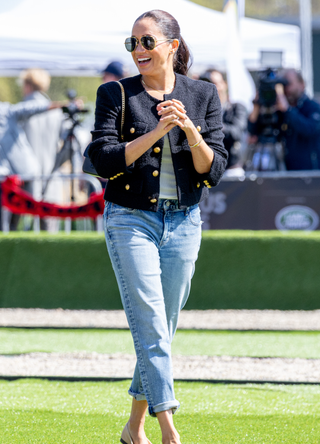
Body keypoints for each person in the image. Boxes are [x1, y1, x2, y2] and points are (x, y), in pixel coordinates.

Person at [87, 9, 227, 444]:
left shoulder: (202, 94)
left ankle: (132, 429)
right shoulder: (115, 93)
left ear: (171, 45)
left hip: (184, 221)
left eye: (147, 42)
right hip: (130, 219)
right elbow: (103, 159)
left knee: (160, 330)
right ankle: (169, 430)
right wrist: (155, 132)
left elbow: (214, 169)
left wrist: (189, 130)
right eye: (132, 44)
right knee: (149, 323)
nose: (138, 51)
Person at [0, 97, 65, 230]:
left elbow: (31, 108)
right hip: (5, 178)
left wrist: (59, 105)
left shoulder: (5, 111)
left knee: (35, 214)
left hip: (24, 175)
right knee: (7, 227)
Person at [248, 68, 320, 170]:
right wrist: (257, 105)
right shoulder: (280, 110)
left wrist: (287, 109)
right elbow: (253, 131)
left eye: (288, 84)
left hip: (309, 172)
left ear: (302, 84)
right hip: (287, 171)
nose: (286, 89)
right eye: (283, 85)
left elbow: (309, 129)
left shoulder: (312, 107)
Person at [19, 68, 64, 230]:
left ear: (27, 85)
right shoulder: (56, 112)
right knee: (49, 232)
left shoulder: (20, 110)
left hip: (24, 178)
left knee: (14, 231)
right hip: (50, 175)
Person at [200, 69, 247, 171]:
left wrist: (213, 124)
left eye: (215, 83)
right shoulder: (200, 110)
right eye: (208, 83)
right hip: (208, 167)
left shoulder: (236, 108)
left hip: (232, 167)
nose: (212, 87)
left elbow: (237, 133)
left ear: (224, 84)